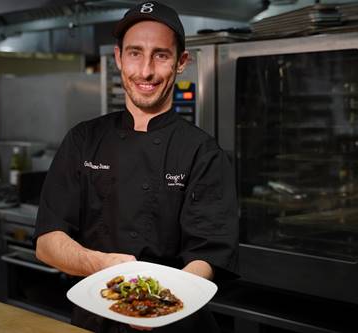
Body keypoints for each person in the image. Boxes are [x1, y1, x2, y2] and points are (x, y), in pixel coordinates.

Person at [34, 2, 239, 332]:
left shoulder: (202, 152)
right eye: (134, 53)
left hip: (176, 320)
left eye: (160, 55)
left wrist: (159, 304)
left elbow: (209, 255)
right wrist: (103, 265)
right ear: (118, 58)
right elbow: (47, 242)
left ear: (181, 62)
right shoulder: (83, 140)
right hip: (94, 320)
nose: (145, 71)